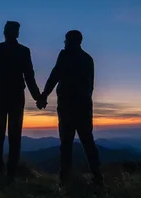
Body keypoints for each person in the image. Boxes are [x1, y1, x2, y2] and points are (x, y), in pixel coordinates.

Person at [0, 21, 42, 182]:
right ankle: (10, 173)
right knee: (15, 135)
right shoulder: (23, 51)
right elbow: (29, 76)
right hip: (15, 96)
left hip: (1, 95)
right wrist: (38, 97)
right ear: (17, 33)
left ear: (6, 32)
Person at [39, 30, 102, 186]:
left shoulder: (65, 55)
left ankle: (65, 179)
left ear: (71, 41)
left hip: (67, 106)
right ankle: (97, 177)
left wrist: (44, 95)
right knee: (88, 142)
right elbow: (90, 86)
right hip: (84, 107)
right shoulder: (88, 59)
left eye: (66, 40)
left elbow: (55, 75)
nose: (64, 43)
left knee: (66, 144)